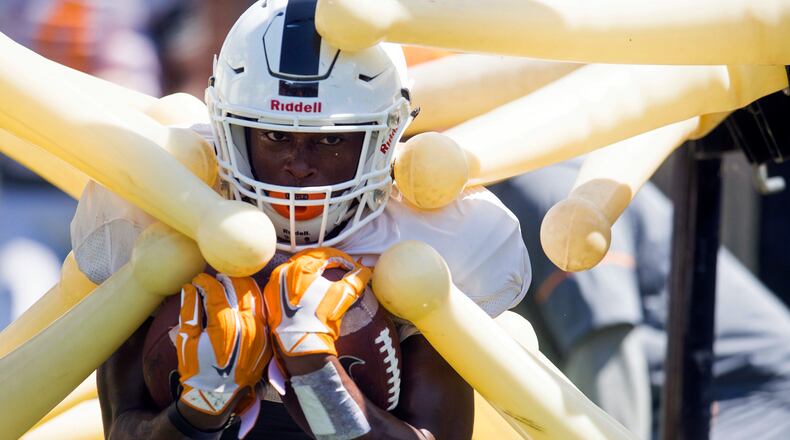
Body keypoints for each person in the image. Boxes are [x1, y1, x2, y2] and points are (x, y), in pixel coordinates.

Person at [71, 1, 531, 439]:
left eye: (330, 141)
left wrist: (319, 379)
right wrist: (204, 406)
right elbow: (121, 429)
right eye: (274, 135)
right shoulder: (157, 207)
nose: (299, 165)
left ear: (387, 138)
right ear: (227, 130)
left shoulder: (434, 232)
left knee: (513, 339)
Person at [490, 159, 790, 440]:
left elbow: (607, 356)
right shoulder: (490, 206)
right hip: (688, 402)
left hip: (748, 399)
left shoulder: (545, 193)